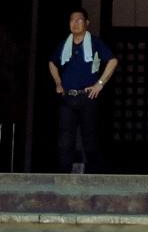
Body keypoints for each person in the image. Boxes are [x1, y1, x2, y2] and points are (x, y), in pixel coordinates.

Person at [49, 10, 117, 174]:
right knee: (65, 140)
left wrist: (99, 84)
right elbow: (52, 62)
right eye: (72, 20)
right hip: (68, 97)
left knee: (90, 138)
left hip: (88, 96)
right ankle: (63, 177)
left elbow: (113, 60)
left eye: (79, 20)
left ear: (87, 23)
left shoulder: (94, 42)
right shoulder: (65, 44)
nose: (75, 23)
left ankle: (93, 175)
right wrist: (58, 82)